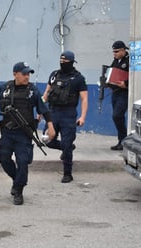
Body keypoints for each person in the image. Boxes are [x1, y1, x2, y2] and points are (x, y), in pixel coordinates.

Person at [0, 62, 55, 205]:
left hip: (23, 133)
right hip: (7, 131)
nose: (27, 77)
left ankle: (18, 190)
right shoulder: (4, 88)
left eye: (28, 74)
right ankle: (17, 180)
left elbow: (43, 110)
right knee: (4, 158)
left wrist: (50, 126)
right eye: (24, 74)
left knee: (23, 162)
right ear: (15, 74)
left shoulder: (33, 91)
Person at [42, 50, 88, 183]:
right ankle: (67, 147)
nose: (63, 64)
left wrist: (83, 117)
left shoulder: (78, 78)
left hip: (68, 114)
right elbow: (46, 94)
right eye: (61, 61)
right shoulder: (54, 75)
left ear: (72, 62)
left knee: (67, 144)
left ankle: (67, 173)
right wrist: (40, 111)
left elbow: (84, 99)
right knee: (47, 140)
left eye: (65, 62)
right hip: (53, 112)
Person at [108, 40, 129, 150]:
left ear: (123, 50)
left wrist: (125, 84)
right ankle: (121, 140)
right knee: (117, 117)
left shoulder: (129, 61)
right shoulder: (116, 61)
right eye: (113, 52)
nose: (114, 54)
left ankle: (124, 139)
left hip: (124, 92)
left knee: (117, 115)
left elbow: (135, 76)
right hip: (115, 92)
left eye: (116, 51)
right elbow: (111, 72)